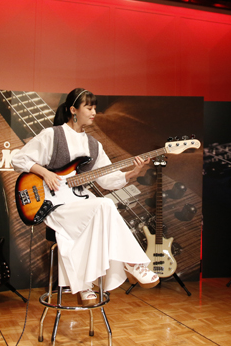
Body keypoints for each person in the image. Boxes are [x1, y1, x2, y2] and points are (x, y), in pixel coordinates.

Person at [11, 88, 159, 306]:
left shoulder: (93, 145)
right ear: (73, 110)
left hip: (79, 201)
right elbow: (18, 160)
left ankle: (86, 285)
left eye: (95, 108)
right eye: (89, 108)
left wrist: (133, 173)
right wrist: (45, 173)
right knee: (104, 206)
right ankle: (131, 262)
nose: (94, 113)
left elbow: (107, 180)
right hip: (54, 204)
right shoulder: (53, 135)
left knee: (103, 207)